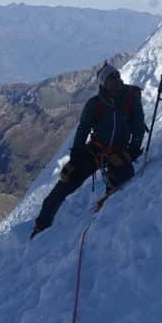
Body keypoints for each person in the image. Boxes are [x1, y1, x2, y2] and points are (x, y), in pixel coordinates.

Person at [31, 62, 145, 237]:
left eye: (117, 76)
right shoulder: (95, 104)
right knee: (66, 182)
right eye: (110, 78)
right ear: (103, 84)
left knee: (122, 178)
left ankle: (106, 214)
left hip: (119, 151)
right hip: (95, 150)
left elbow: (138, 126)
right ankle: (41, 225)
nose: (116, 80)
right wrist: (76, 154)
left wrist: (133, 150)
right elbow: (83, 129)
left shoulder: (131, 98)